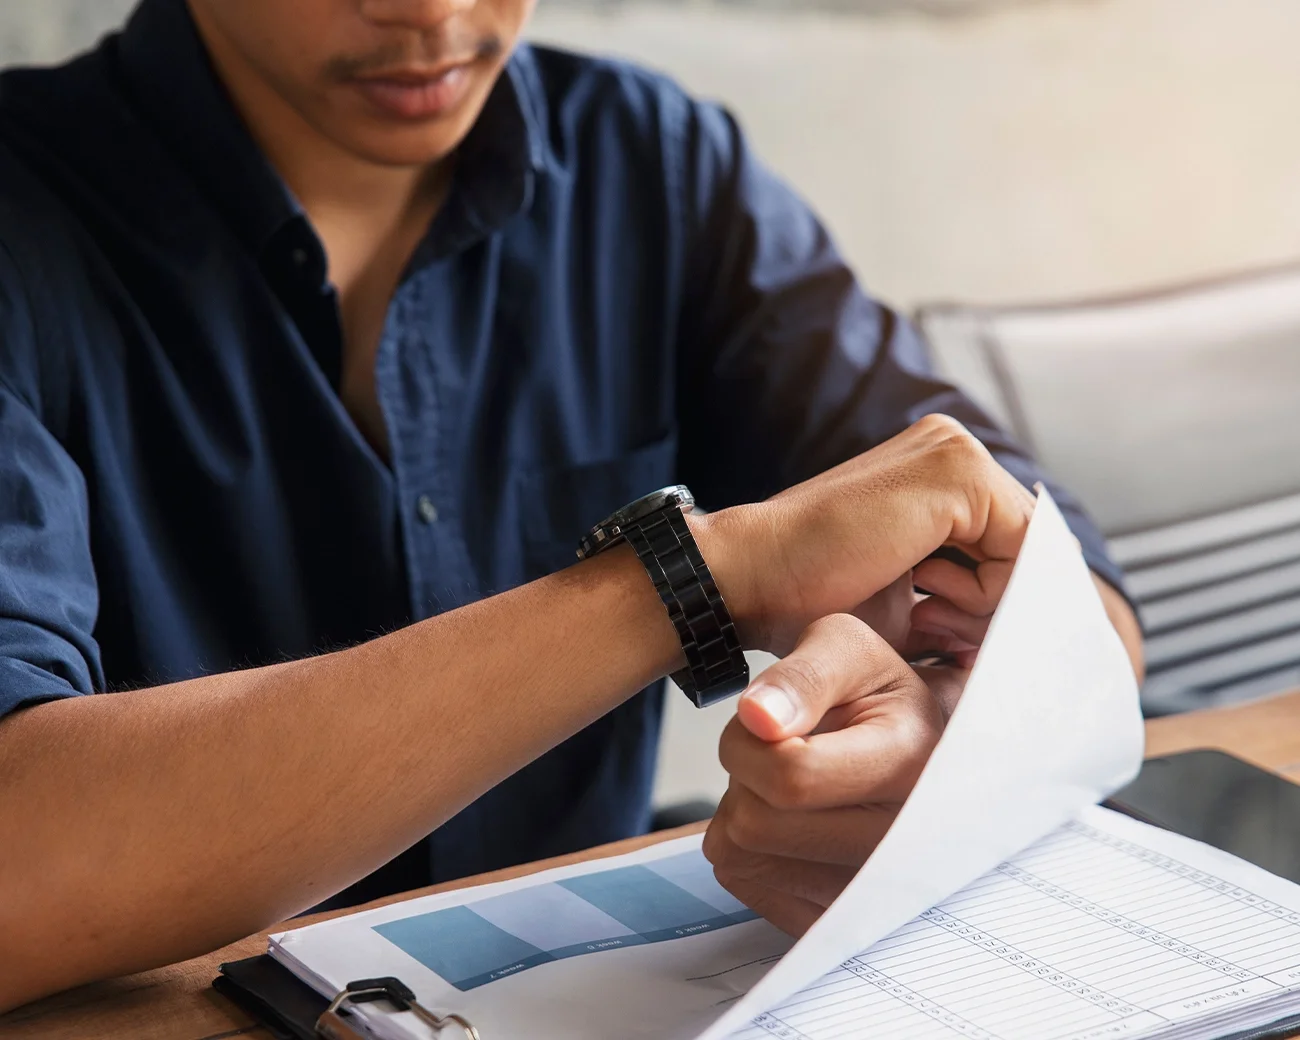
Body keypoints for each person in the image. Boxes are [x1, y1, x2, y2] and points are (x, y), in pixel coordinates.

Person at [0, 0, 1142, 1011]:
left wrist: (942, 729)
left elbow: (1031, 552)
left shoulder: (648, 159)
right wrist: (699, 577)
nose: (432, 12)